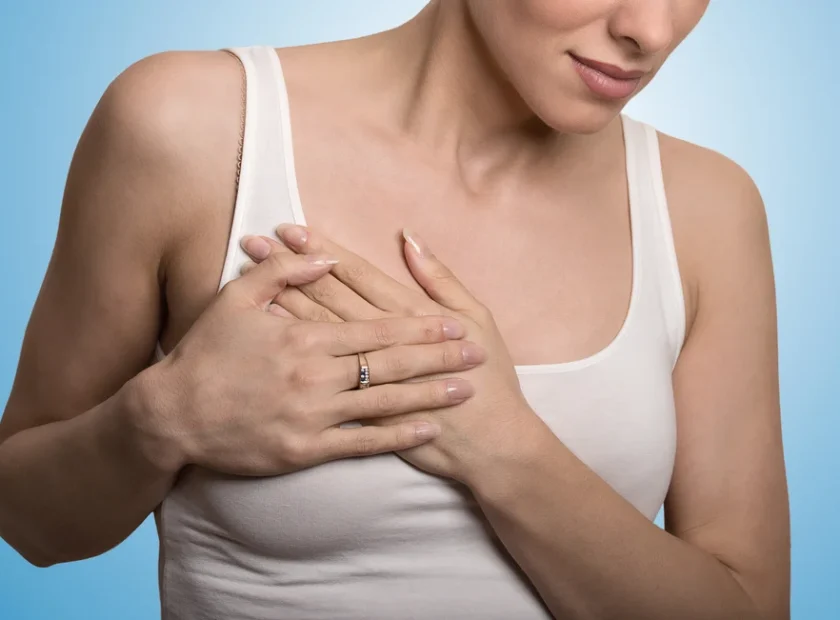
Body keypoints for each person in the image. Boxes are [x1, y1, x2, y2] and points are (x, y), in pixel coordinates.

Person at [0, 1, 790, 618]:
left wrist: (507, 450)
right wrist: (159, 423)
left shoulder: (706, 209)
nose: (651, 29)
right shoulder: (194, 130)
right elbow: (26, 521)